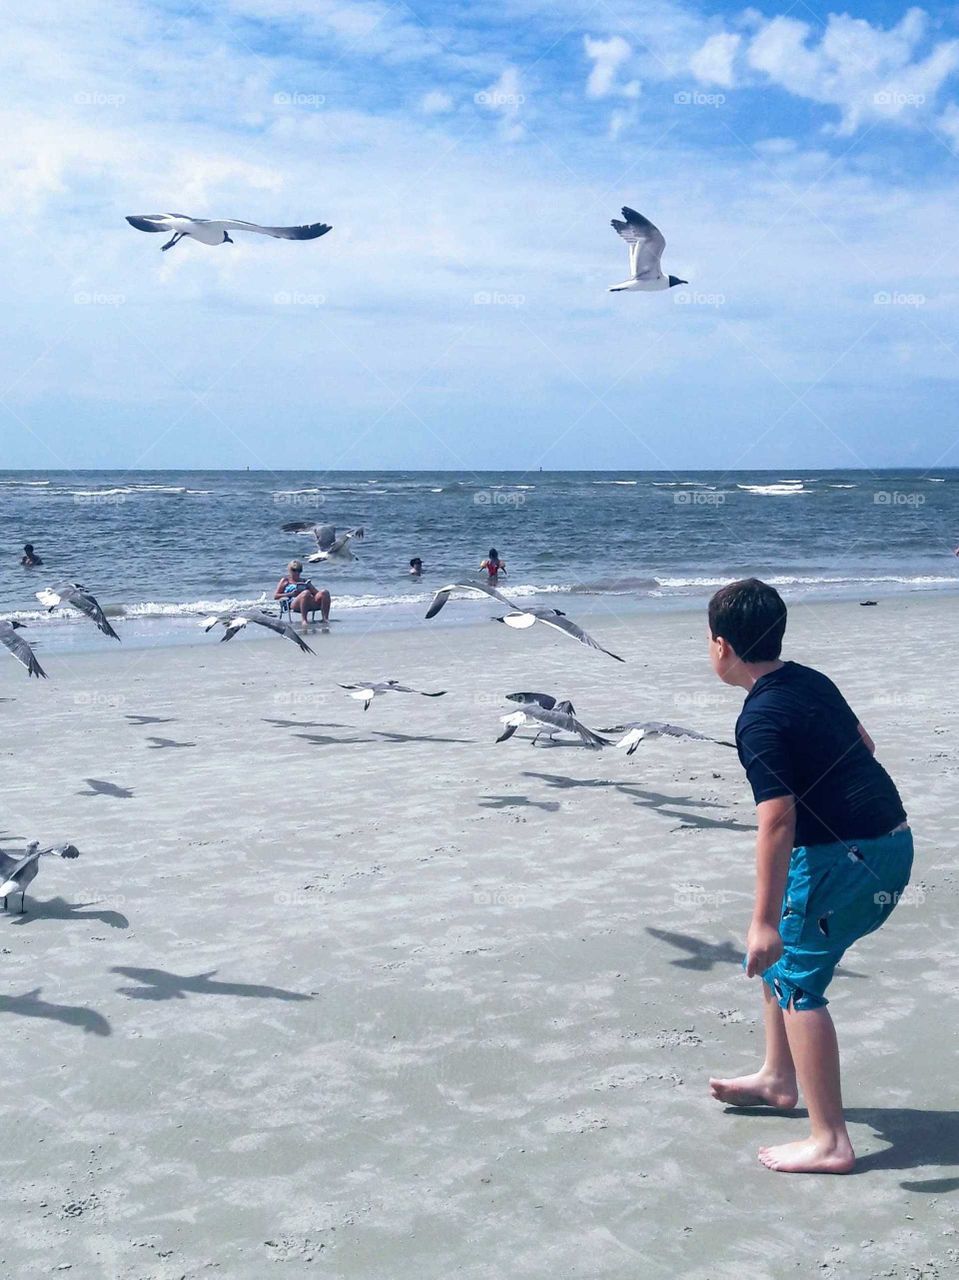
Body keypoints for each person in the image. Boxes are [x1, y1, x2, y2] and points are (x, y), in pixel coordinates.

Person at [705, 578, 911, 1174]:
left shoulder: (758, 721)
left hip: (848, 859)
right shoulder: (810, 680)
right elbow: (864, 745)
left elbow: (776, 822)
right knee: (786, 962)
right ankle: (776, 1078)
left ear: (721, 647)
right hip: (891, 842)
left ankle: (830, 1141)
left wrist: (762, 920)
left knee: (797, 984)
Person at [274, 560, 330, 626]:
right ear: (290, 570)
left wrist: (309, 586)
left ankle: (325, 618)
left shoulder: (304, 581)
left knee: (324, 592)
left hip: (308, 601)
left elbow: (316, 593)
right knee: (305, 593)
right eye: (294, 570)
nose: (297, 573)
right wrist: (291, 594)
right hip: (293, 603)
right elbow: (276, 596)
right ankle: (304, 620)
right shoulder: (285, 581)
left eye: (299, 570)